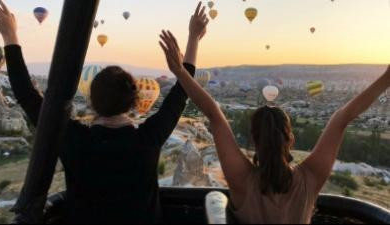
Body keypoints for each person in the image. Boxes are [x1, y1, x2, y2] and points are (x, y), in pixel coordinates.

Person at [0, 0, 209, 223]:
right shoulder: (147, 139)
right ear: (134, 102)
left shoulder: (74, 139)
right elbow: (181, 92)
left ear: (91, 100)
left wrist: (10, 36)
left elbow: (26, 94)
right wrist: (194, 37)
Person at [159, 31, 390, 224]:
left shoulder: (242, 180)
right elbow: (342, 118)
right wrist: (386, 79)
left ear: (253, 139)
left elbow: (214, 114)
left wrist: (180, 71)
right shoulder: (309, 179)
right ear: (291, 139)